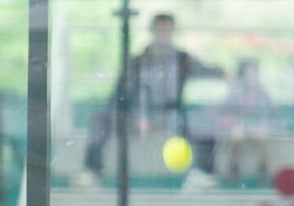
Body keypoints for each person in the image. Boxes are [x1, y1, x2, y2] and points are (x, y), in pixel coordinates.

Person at [83, 12, 224, 188]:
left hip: (172, 116)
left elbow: (207, 71)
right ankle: (91, 171)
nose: (163, 34)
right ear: (153, 31)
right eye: (160, 30)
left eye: (167, 30)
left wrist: (227, 73)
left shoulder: (182, 59)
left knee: (205, 122)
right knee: (99, 118)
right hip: (139, 117)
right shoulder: (138, 61)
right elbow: (119, 93)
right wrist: (138, 116)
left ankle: (202, 172)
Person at [216, 59, 278, 185]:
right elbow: (223, 109)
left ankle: (264, 169)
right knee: (237, 136)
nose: (252, 77)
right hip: (239, 127)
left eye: (254, 73)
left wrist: (262, 125)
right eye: (249, 73)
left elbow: (271, 113)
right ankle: (233, 168)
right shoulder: (235, 92)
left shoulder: (262, 93)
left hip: (257, 126)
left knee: (262, 135)